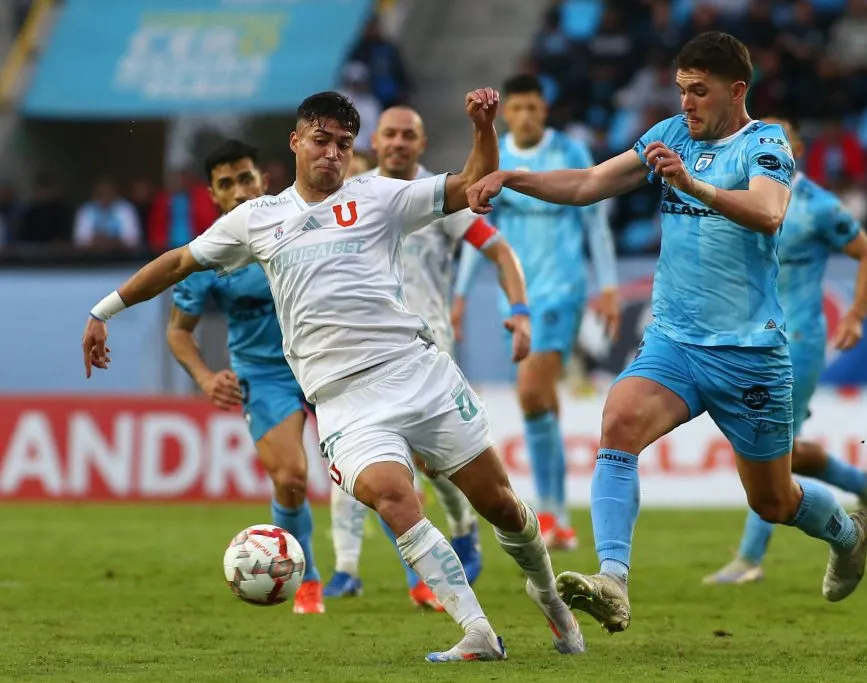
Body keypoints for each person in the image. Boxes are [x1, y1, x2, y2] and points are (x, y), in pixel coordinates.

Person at [83, 89, 584, 663]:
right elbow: (178, 262)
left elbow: (474, 178)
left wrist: (482, 127)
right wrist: (104, 311)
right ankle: (476, 630)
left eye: (344, 144)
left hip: (417, 373)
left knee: (500, 506)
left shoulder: (381, 197)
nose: (332, 154)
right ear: (295, 142)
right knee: (395, 499)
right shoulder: (257, 219)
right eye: (321, 141)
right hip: (344, 402)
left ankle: (550, 601)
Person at [466, 32, 867, 635]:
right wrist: (510, 178)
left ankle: (848, 532)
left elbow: (768, 212)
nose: (686, 103)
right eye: (681, 89)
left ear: (736, 91)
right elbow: (587, 185)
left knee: (773, 500)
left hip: (750, 355)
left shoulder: (764, 142)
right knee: (620, 422)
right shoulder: (670, 134)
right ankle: (614, 579)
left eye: (699, 91)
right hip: (675, 343)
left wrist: (693, 186)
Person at [327, 106, 529, 610]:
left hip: (427, 347)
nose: (397, 142)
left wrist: (520, 310)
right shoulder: (351, 197)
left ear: (421, 143)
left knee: (435, 467)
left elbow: (501, 252)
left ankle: (461, 530)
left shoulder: (443, 198)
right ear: (375, 140)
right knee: (364, 463)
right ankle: (347, 569)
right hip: (362, 350)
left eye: (408, 136)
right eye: (389, 134)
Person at [704, 118, 867, 585]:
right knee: (779, 450)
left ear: (798, 149)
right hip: (747, 341)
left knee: (771, 449)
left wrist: (856, 315)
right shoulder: (739, 196)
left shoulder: (818, 207)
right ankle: (860, 482)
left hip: (798, 342)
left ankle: (749, 558)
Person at [453, 74, 621, 550]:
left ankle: (549, 514)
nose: (526, 115)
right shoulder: (496, 159)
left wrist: (607, 286)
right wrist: (462, 295)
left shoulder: (568, 154)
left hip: (562, 292)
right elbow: (478, 235)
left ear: (543, 111)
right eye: (518, 108)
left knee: (530, 393)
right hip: (517, 300)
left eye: (533, 107)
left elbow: (597, 226)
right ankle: (558, 515)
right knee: (541, 402)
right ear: (508, 114)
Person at [165, 139, 325, 615]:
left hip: (326, 359)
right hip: (266, 374)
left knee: (377, 476)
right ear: (213, 196)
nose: (239, 191)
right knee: (292, 478)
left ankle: (420, 583)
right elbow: (178, 331)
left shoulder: (305, 224)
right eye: (226, 184)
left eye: (245, 178)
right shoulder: (206, 255)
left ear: (265, 180)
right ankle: (309, 578)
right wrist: (204, 377)